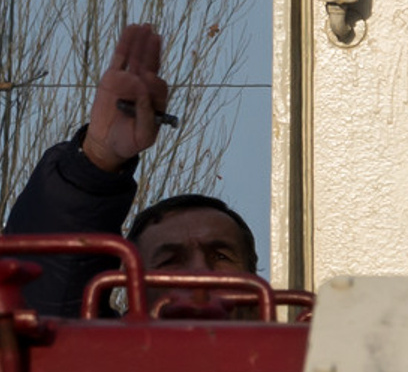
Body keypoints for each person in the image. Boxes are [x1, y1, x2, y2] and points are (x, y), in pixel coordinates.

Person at [3, 25, 266, 317]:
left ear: (255, 281)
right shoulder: (97, 359)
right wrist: (97, 159)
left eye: (221, 255)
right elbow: (43, 297)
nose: (199, 273)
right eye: (169, 261)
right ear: (130, 290)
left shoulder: (308, 357)